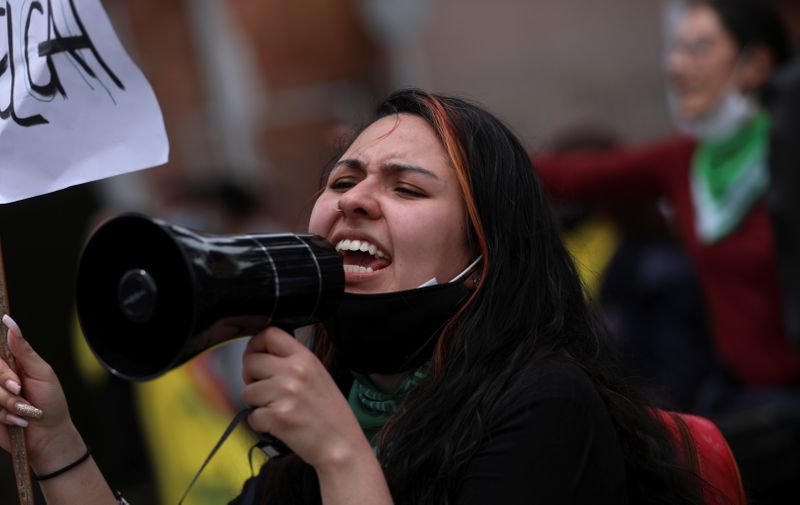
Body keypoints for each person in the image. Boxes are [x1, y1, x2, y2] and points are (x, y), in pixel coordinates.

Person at [1, 89, 737, 504]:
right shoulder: (330, 428)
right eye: (343, 179)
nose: (355, 200)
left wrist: (341, 455)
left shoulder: (545, 402)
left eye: (406, 187)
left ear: (485, 256)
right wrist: (58, 438)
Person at [533, 0, 798, 398]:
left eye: (698, 48)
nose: (675, 66)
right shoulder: (684, 160)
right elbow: (574, 174)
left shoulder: (788, 151)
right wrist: (458, 148)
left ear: (756, 64)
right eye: (674, 49)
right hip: (756, 404)